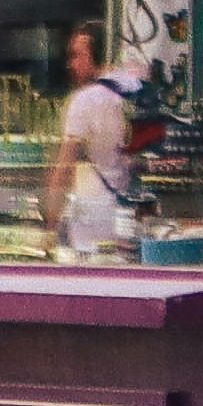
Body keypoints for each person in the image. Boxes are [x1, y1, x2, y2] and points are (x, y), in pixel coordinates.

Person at [42, 18, 138, 258]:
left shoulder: (85, 101)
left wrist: (49, 228)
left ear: (94, 56)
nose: (70, 64)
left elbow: (64, 167)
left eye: (76, 55)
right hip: (133, 216)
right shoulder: (134, 90)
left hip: (95, 224)